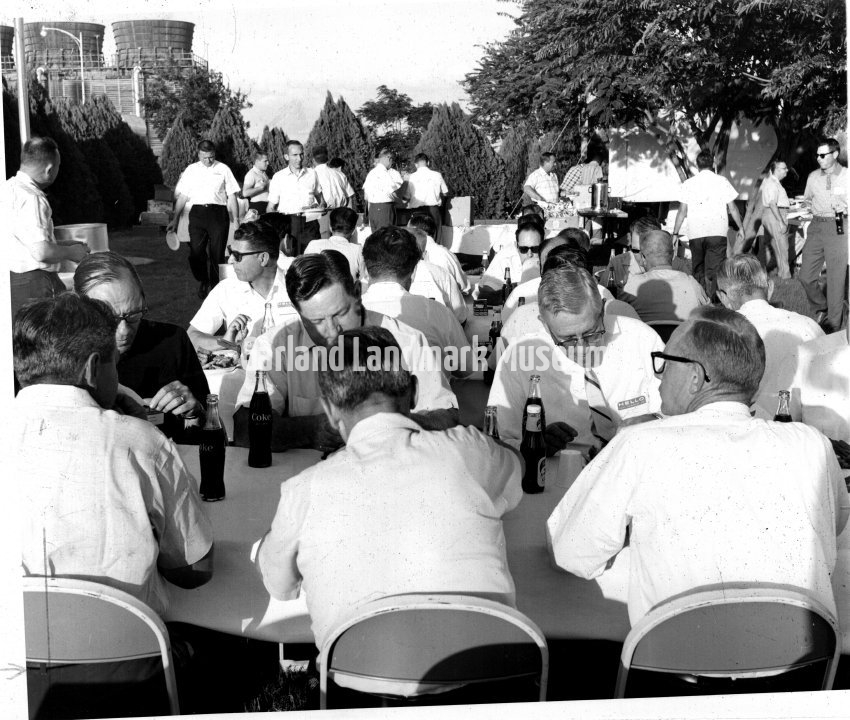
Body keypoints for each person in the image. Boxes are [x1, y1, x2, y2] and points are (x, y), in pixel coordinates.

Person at [546, 306, 849, 631]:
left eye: (665, 362)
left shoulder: (639, 443)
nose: (658, 375)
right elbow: (834, 526)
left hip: (675, 657)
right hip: (800, 655)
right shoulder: (812, 444)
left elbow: (569, 552)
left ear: (694, 377)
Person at [254, 326, 521, 680]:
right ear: (414, 391)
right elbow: (515, 467)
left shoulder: (303, 491)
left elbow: (278, 584)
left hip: (358, 690)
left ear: (330, 411)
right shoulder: (470, 451)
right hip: (490, 685)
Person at [232, 250, 459, 452]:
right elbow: (243, 427)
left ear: (358, 293)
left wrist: (383, 427)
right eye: (317, 321)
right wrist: (311, 430)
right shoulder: (275, 346)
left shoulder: (407, 341)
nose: (332, 330)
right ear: (298, 312)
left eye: (340, 313)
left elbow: (446, 417)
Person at [488, 264, 662, 454]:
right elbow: (498, 443)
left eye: (591, 333)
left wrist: (654, 420)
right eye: (568, 339)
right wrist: (535, 444)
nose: (582, 348)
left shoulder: (642, 339)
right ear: (545, 325)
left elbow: (676, 416)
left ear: (602, 312)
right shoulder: (520, 356)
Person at [74, 252, 210, 442]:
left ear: (143, 299)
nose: (124, 331)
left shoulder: (171, 341)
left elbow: (210, 426)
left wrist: (195, 412)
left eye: (134, 315)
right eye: (110, 319)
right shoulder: (65, 357)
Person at [716, 254, 823, 414]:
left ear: (723, 297)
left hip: (749, 422)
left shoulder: (721, 335)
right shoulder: (810, 326)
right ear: (770, 287)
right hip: (808, 421)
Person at [361, 226, 471, 376]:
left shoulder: (347, 315)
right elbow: (465, 368)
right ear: (413, 272)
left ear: (365, 270)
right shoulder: (438, 313)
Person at [2, 136, 89, 317]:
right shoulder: (32, 197)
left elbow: (26, 243)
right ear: (49, 169)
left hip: (10, 281)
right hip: (35, 284)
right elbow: (40, 252)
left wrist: (65, 245)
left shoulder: (7, 189)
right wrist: (72, 253)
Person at [188, 220, 299, 347]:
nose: (230, 260)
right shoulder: (226, 289)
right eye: (230, 252)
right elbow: (192, 336)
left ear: (263, 258)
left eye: (237, 255)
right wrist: (226, 342)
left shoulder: (298, 287)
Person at [167, 140, 240, 299]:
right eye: (205, 157)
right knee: (196, 253)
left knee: (217, 254)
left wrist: (236, 219)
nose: (208, 160)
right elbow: (183, 197)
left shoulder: (223, 169)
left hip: (218, 214)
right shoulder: (191, 170)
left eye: (211, 157)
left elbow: (232, 196)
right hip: (197, 214)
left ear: (215, 154)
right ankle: (203, 279)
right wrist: (175, 219)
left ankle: (215, 289)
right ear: (199, 154)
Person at [673, 149, 745, 298]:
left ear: (697, 165)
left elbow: (682, 211)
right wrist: (741, 227)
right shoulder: (722, 181)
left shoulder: (688, 184)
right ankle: (715, 301)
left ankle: (700, 300)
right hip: (717, 232)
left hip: (695, 232)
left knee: (698, 269)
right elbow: (733, 208)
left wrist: (675, 233)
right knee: (715, 270)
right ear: (713, 164)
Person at [799, 138, 848, 332]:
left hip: (838, 225)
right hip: (816, 225)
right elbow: (807, 200)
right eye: (817, 155)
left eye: (822, 155)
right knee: (805, 276)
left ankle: (833, 325)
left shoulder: (846, 176)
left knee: (836, 279)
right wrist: (810, 207)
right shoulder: (813, 177)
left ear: (835, 154)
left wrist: (844, 208)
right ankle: (821, 307)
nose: (818, 158)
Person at [619, 230, 709, 323]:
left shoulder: (632, 285)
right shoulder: (692, 284)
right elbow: (708, 317)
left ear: (643, 257)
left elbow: (618, 317)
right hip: (683, 332)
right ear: (673, 255)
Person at [267, 140, 325, 254]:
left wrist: (321, 207)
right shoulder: (278, 177)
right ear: (286, 156)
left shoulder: (312, 173)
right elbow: (270, 207)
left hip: (310, 223)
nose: (299, 158)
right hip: (289, 224)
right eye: (295, 155)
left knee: (313, 258)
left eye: (301, 154)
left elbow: (321, 200)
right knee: (291, 258)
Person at [477, 218, 543, 304]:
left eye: (535, 249)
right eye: (524, 249)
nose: (529, 254)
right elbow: (484, 295)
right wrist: (517, 287)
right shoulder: (506, 262)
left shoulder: (551, 262)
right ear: (516, 246)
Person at [407, 211, 470, 294]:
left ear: (418, 232)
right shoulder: (442, 253)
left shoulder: (438, 256)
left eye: (408, 231)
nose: (406, 235)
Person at [303, 207, 366, 283]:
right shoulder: (358, 250)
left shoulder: (313, 245)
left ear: (330, 227)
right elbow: (364, 280)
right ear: (353, 230)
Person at [405, 153, 449, 243]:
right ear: (428, 162)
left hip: (417, 212)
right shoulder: (437, 175)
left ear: (416, 164)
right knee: (435, 238)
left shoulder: (411, 177)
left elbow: (407, 196)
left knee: (417, 239)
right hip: (433, 210)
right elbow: (445, 192)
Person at [759, 159, 792, 279]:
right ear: (777, 170)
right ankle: (785, 275)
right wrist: (781, 222)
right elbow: (773, 204)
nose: (787, 170)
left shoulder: (771, 182)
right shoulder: (773, 183)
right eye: (784, 168)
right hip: (775, 214)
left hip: (770, 214)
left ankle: (779, 273)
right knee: (782, 246)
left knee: (775, 246)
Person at [363, 147, 403, 232]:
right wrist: (401, 200)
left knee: (376, 236)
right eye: (392, 160)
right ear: (388, 158)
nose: (392, 163)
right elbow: (394, 193)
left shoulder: (371, 173)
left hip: (373, 209)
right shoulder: (384, 173)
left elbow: (366, 196)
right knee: (386, 236)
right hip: (384, 209)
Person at [311, 145, 355, 211]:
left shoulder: (311, 176)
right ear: (327, 159)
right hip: (341, 212)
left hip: (320, 213)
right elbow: (349, 197)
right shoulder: (340, 174)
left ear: (313, 160)